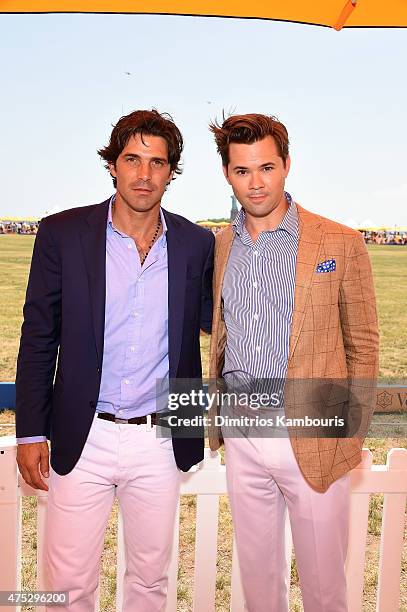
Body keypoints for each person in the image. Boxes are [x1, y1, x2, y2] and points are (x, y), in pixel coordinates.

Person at [15, 109, 214, 612]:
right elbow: (39, 336)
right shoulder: (62, 234)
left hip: (160, 438)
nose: (144, 175)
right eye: (132, 160)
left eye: (157, 163)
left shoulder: (196, 243)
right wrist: (31, 431)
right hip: (84, 435)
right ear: (112, 164)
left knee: (151, 582)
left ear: (171, 172)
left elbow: (218, 328)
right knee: (65, 585)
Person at [208, 113, 379, 611]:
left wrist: (351, 430)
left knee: (325, 588)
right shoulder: (223, 244)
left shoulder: (339, 241)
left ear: (287, 165)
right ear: (227, 174)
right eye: (242, 171)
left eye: (266, 167)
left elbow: (364, 341)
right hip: (242, 436)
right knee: (259, 585)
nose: (255, 182)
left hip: (313, 431)